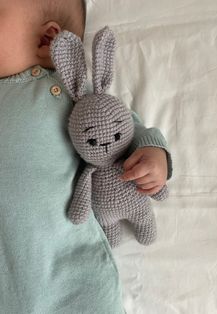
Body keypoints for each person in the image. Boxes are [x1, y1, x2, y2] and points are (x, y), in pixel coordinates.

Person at [0, 0, 172, 313]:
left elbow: (120, 125)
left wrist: (152, 151)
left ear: (47, 40)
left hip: (69, 271)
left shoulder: (67, 92)